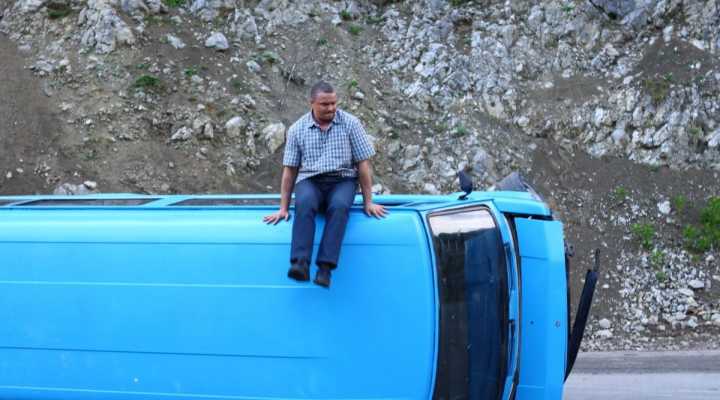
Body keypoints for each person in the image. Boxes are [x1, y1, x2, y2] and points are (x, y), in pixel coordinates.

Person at [263, 81, 387, 288]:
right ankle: (300, 264)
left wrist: (369, 202)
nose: (331, 108)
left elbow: (363, 164)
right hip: (311, 180)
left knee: (339, 206)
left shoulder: (351, 124)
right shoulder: (297, 129)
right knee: (304, 202)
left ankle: (325, 269)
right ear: (312, 103)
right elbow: (290, 170)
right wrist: (283, 208)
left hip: (343, 179)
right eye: (325, 104)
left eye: (333, 103)